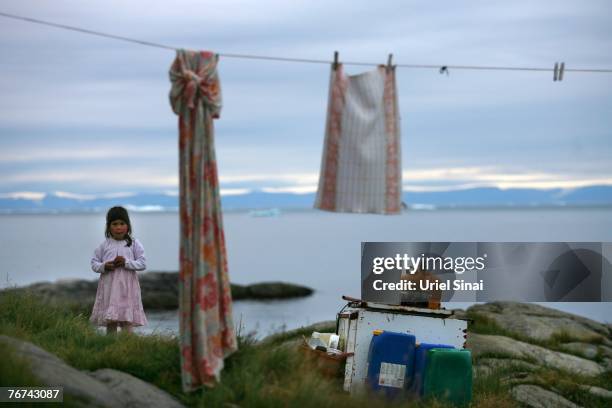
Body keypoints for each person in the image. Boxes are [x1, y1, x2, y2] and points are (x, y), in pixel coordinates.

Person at [90, 206, 148, 334]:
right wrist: (104, 266)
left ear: (128, 225)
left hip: (127, 289)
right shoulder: (104, 245)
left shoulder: (134, 243)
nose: (118, 227)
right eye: (114, 224)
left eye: (122, 223)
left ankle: (128, 346)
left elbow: (142, 263)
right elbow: (94, 263)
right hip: (109, 289)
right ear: (108, 226)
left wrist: (126, 263)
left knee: (127, 321)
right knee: (111, 321)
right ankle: (111, 347)